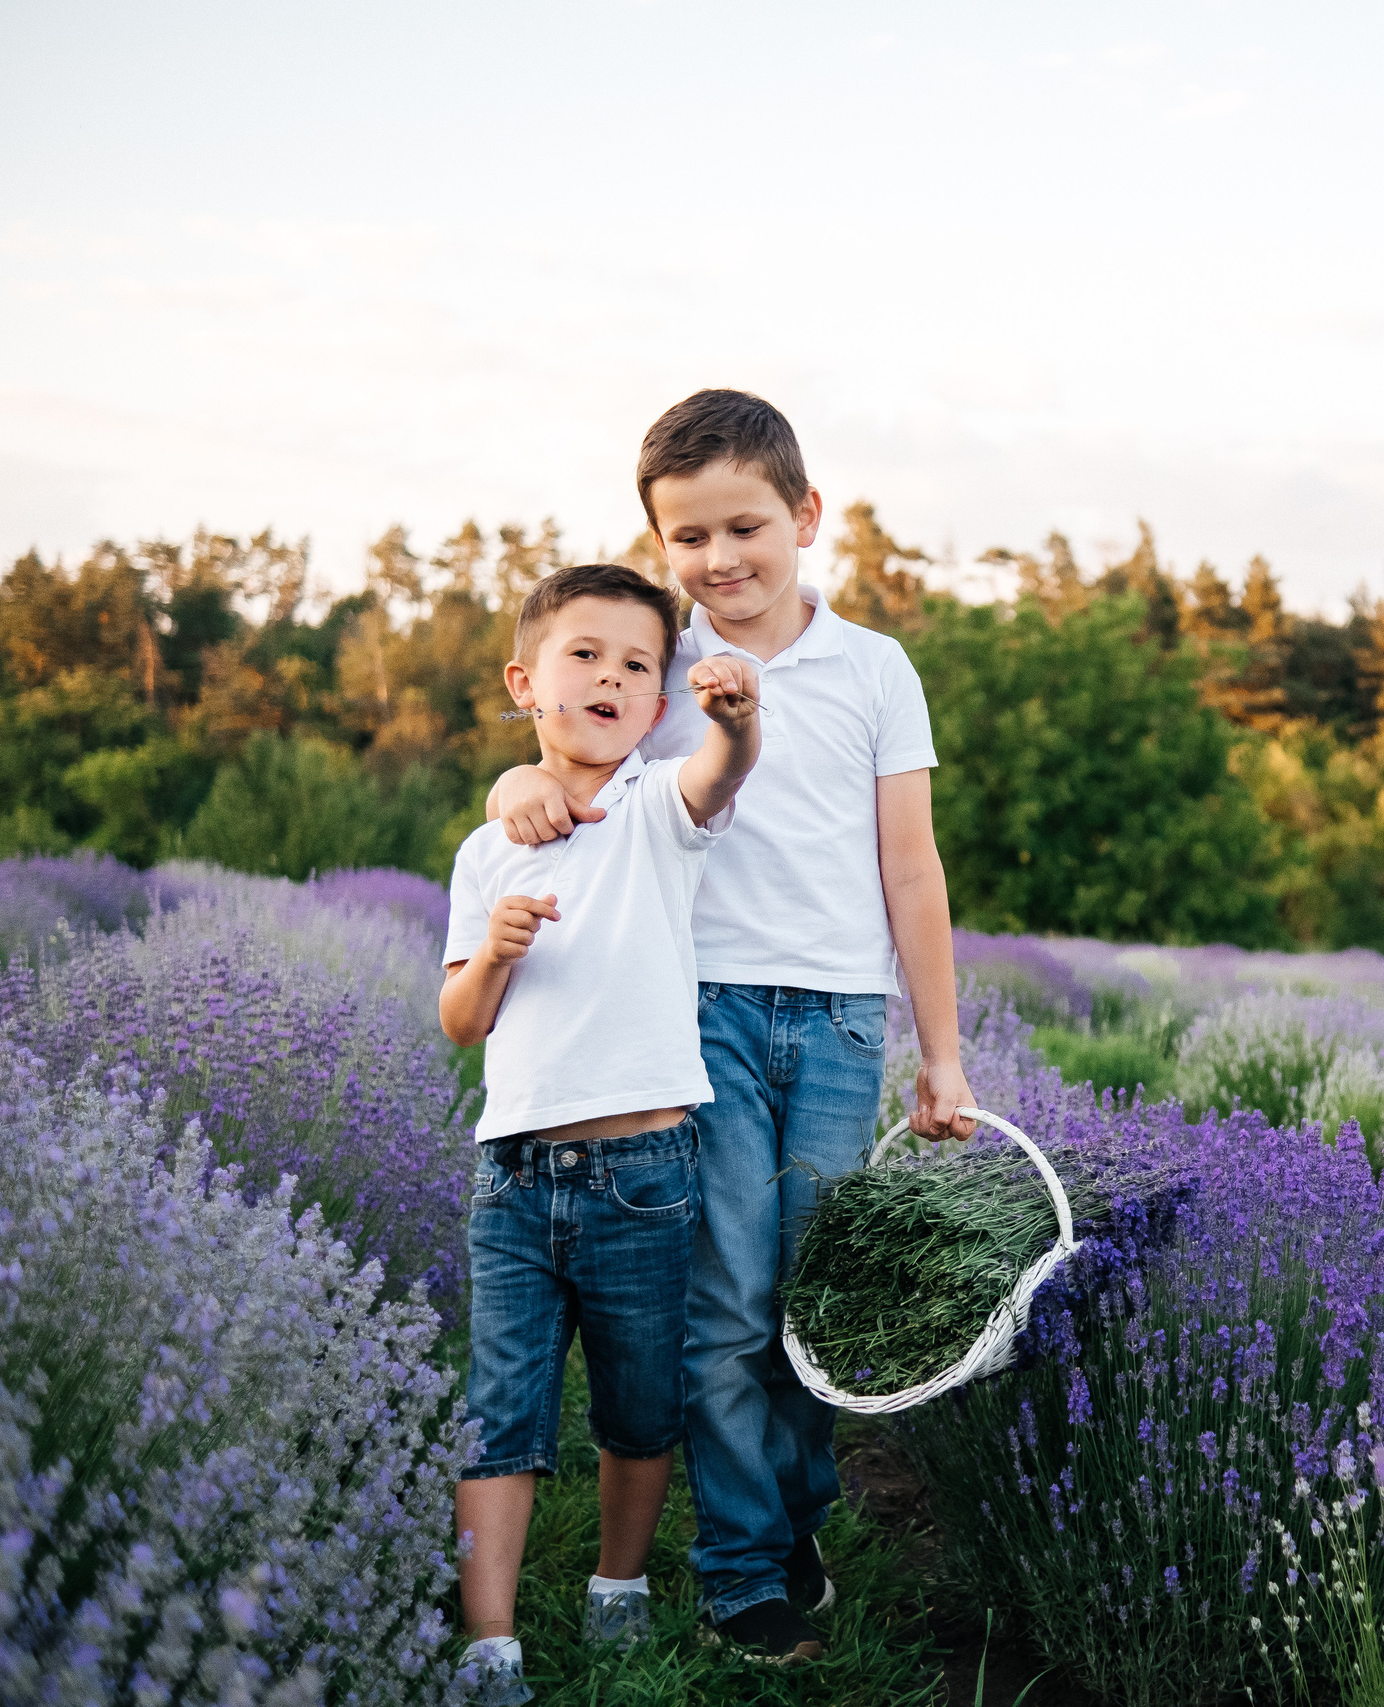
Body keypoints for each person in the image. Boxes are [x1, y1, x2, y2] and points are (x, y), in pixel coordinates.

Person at [488, 388, 977, 1665]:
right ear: (660, 546)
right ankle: (740, 1570)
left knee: (807, 1300)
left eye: (744, 527)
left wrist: (941, 1056)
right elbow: (564, 748)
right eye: (689, 537)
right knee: (724, 1302)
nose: (719, 559)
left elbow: (911, 867)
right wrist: (517, 779)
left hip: (839, 1019)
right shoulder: (654, 668)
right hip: (692, 1010)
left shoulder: (874, 668)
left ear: (805, 516)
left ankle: (795, 1513)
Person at [442, 561, 761, 1700]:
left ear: (658, 700)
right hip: (516, 1174)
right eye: (585, 655)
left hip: (644, 1169)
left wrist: (737, 720)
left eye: (637, 666)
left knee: (638, 1405)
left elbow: (723, 772)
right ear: (525, 682)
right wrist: (494, 950)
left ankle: (617, 1587)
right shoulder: (488, 850)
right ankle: (490, 1641)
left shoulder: (657, 807)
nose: (612, 679)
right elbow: (462, 1019)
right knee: (501, 1410)